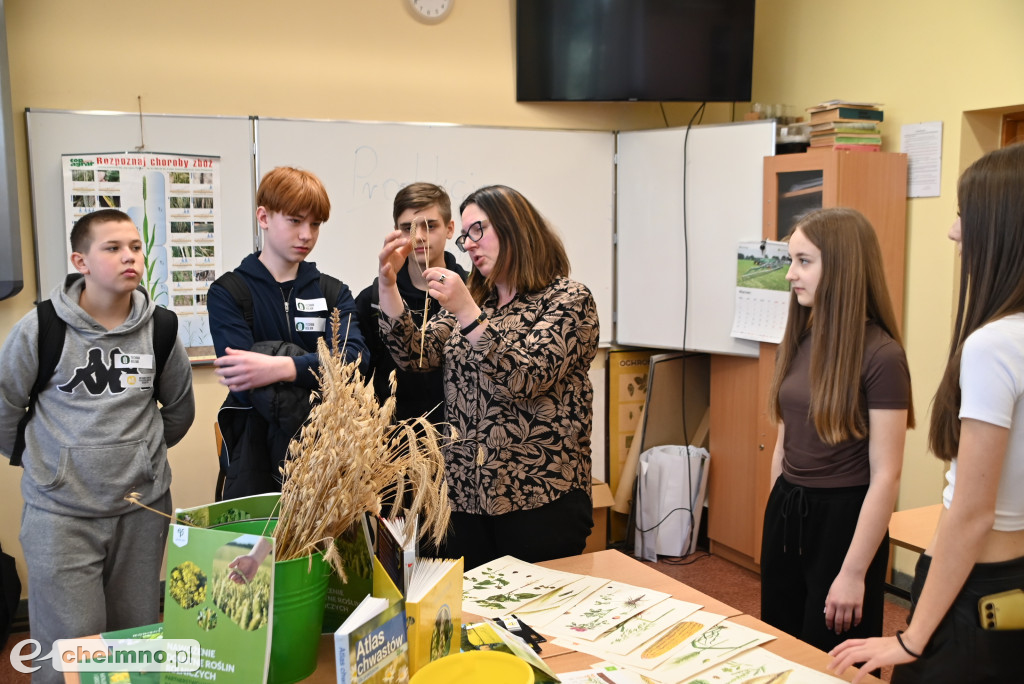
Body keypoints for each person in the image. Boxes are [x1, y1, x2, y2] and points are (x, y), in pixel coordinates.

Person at [830, 144, 1024, 683]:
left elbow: (972, 513)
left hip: (974, 588)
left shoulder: (995, 345)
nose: (953, 232)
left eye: (964, 214)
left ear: (999, 227)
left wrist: (911, 640)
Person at [0, 209, 195, 684]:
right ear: (80, 261)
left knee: (134, 637)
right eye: (112, 248)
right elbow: (5, 407)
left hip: (141, 510)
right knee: (71, 645)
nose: (129, 256)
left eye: (134, 247)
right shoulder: (41, 327)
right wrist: (50, 466)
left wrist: (141, 459)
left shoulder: (162, 328)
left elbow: (180, 410)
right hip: (60, 515)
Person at [376, 184, 599, 570]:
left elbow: (524, 377)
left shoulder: (568, 300)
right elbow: (415, 354)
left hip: (539, 498)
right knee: (474, 622)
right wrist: (388, 283)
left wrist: (466, 310)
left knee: (536, 622)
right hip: (465, 500)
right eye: (465, 237)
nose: (470, 245)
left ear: (516, 227)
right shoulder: (481, 302)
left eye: (477, 230)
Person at [760, 207, 914, 655]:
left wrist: (853, 572)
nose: (790, 274)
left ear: (842, 266)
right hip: (789, 510)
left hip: (844, 522)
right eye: (791, 260)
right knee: (783, 646)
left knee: (833, 657)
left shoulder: (882, 356)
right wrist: (776, 514)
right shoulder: (801, 338)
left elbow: (886, 475)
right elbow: (785, 443)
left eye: (803, 261)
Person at [208, 166, 368, 499]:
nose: (306, 235)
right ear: (264, 217)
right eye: (295, 221)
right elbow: (242, 378)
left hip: (326, 449)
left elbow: (355, 361)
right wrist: (318, 370)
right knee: (260, 550)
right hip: (253, 455)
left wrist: (278, 367)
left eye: (315, 224)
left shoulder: (332, 292)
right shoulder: (229, 292)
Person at [355, 182, 468, 425]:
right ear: (396, 231)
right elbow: (356, 379)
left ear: (450, 229)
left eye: (430, 226)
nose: (418, 236)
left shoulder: (473, 292)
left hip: (460, 444)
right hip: (391, 449)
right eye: (409, 228)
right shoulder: (373, 299)